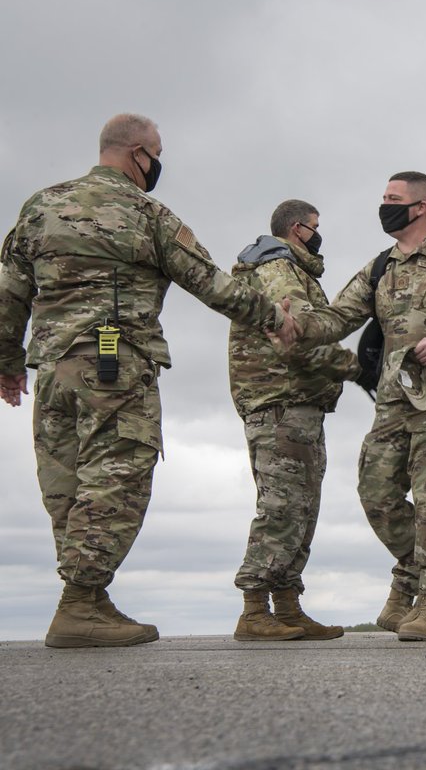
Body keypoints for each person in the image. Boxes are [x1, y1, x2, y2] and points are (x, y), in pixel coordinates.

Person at [0, 113, 297, 648]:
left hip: (52, 370)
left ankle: (89, 599)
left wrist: (6, 364)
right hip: (116, 364)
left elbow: (8, 293)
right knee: (117, 480)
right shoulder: (146, 213)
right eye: (156, 154)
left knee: (68, 483)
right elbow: (210, 283)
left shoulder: (39, 206)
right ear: (138, 152)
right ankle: (78, 605)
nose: (158, 164)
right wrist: (276, 318)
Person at [288, 172, 426, 641]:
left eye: (393, 199)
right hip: (393, 399)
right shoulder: (380, 266)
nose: (384, 206)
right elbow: (339, 316)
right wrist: (293, 324)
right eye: (383, 198)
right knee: (376, 492)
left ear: (420, 206)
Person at [227, 199, 359, 641]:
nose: (319, 235)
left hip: (300, 403)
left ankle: (286, 604)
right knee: (281, 506)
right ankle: (253, 608)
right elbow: (297, 337)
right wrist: (356, 367)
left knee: (303, 506)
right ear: (297, 229)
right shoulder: (279, 271)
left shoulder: (296, 271)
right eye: (315, 227)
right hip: (279, 400)